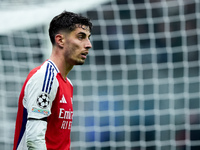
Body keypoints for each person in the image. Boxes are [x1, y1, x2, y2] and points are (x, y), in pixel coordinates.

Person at [13, 11, 92, 150]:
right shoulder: (45, 77)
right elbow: (34, 139)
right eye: (81, 37)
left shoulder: (67, 83)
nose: (88, 44)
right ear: (60, 40)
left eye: (88, 38)